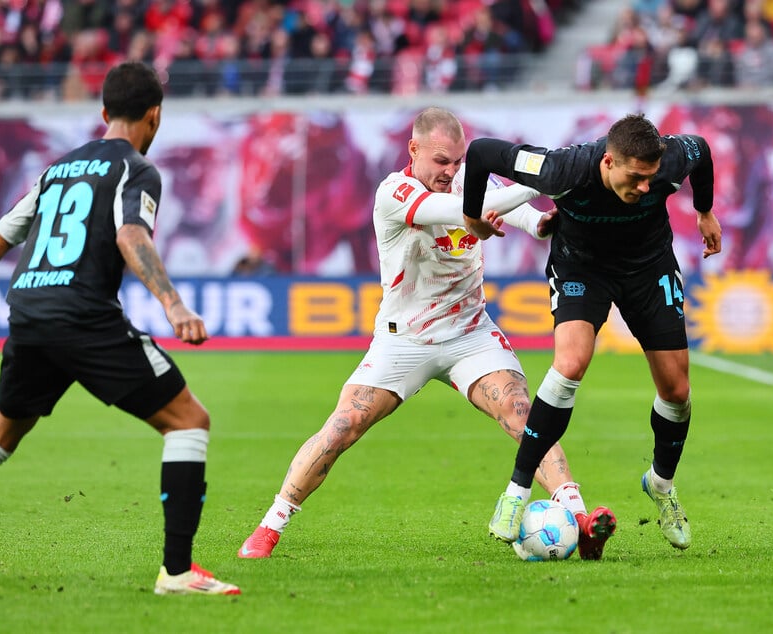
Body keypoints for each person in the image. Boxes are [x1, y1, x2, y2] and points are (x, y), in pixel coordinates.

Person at [238, 107, 617, 562]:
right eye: (441, 161)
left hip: (470, 334)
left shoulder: (468, 180)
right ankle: (269, 526)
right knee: (344, 425)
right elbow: (462, 211)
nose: (451, 171)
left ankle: (580, 519)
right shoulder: (394, 193)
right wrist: (550, 176)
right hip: (405, 339)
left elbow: (523, 218)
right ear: (413, 149)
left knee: (522, 412)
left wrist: (544, 221)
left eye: (458, 161)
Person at [0, 62, 239, 595]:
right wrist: (174, 304)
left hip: (28, 314)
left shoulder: (56, 170)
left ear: (104, 112)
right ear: (155, 116)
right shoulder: (136, 168)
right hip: (81, 315)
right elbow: (131, 235)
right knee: (188, 421)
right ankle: (177, 573)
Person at [461, 113, 722, 551]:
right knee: (570, 363)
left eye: (651, 178)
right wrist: (472, 217)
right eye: (635, 178)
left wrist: (705, 211)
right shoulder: (562, 169)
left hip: (648, 268)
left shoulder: (670, 159)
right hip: (582, 267)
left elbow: (704, 150)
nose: (645, 188)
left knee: (677, 390)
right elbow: (482, 152)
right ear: (608, 162)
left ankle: (660, 484)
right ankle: (515, 493)